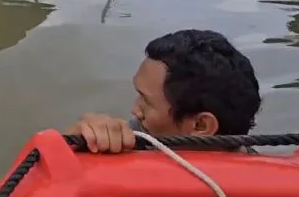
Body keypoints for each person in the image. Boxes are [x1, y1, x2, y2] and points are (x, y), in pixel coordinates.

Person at [67, 29, 262, 153]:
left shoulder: (264, 192)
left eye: (146, 101)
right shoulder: (140, 137)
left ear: (201, 126)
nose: (135, 109)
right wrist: (77, 141)